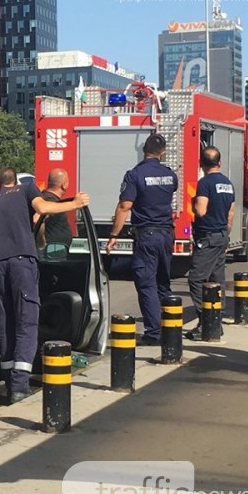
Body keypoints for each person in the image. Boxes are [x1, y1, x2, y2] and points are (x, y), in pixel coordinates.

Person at [0, 167, 89, 404]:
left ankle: (9, 378)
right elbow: (44, 208)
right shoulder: (26, 189)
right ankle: (19, 385)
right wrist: (75, 204)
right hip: (21, 262)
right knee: (26, 320)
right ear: (14, 182)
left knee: (5, 321)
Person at [106, 134, 178, 346]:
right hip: (166, 234)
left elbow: (124, 206)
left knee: (146, 283)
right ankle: (170, 329)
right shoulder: (170, 175)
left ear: (144, 151)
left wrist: (113, 235)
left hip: (147, 235)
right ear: (162, 153)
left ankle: (154, 333)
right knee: (163, 284)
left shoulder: (135, 175)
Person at [186, 146, 235, 340]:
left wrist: (194, 202)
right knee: (217, 279)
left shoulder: (204, 183)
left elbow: (201, 211)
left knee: (196, 279)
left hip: (207, 236)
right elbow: (230, 213)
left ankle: (205, 319)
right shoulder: (228, 183)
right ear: (219, 163)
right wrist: (225, 235)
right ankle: (216, 320)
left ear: (201, 164)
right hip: (222, 234)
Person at [35, 168, 74, 248]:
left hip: (55, 250)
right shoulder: (50, 200)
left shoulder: (44, 197)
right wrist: (41, 242)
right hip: (52, 253)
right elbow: (37, 219)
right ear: (64, 185)